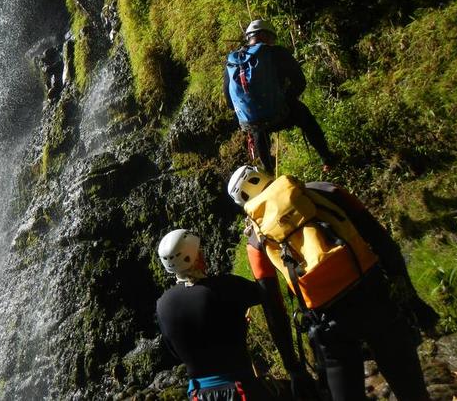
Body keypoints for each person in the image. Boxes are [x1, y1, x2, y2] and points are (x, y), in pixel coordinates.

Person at [227, 165, 439, 401]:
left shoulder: (257, 242)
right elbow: (383, 243)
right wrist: (411, 297)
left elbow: (274, 309)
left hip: (328, 326)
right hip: (374, 297)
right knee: (413, 393)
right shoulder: (325, 191)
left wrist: (294, 369)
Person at [155, 229, 273, 401]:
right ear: (194, 257)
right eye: (199, 251)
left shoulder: (162, 304)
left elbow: (174, 350)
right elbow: (265, 292)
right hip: (240, 388)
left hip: (198, 393)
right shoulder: (225, 286)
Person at [223, 20, 335, 174]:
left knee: (257, 129)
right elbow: (300, 82)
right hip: (279, 113)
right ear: (263, 35)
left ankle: (268, 174)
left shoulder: (233, 62)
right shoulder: (276, 52)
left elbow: (229, 101)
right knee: (306, 117)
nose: (273, 41)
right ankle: (328, 161)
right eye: (272, 37)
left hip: (252, 122)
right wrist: (286, 99)